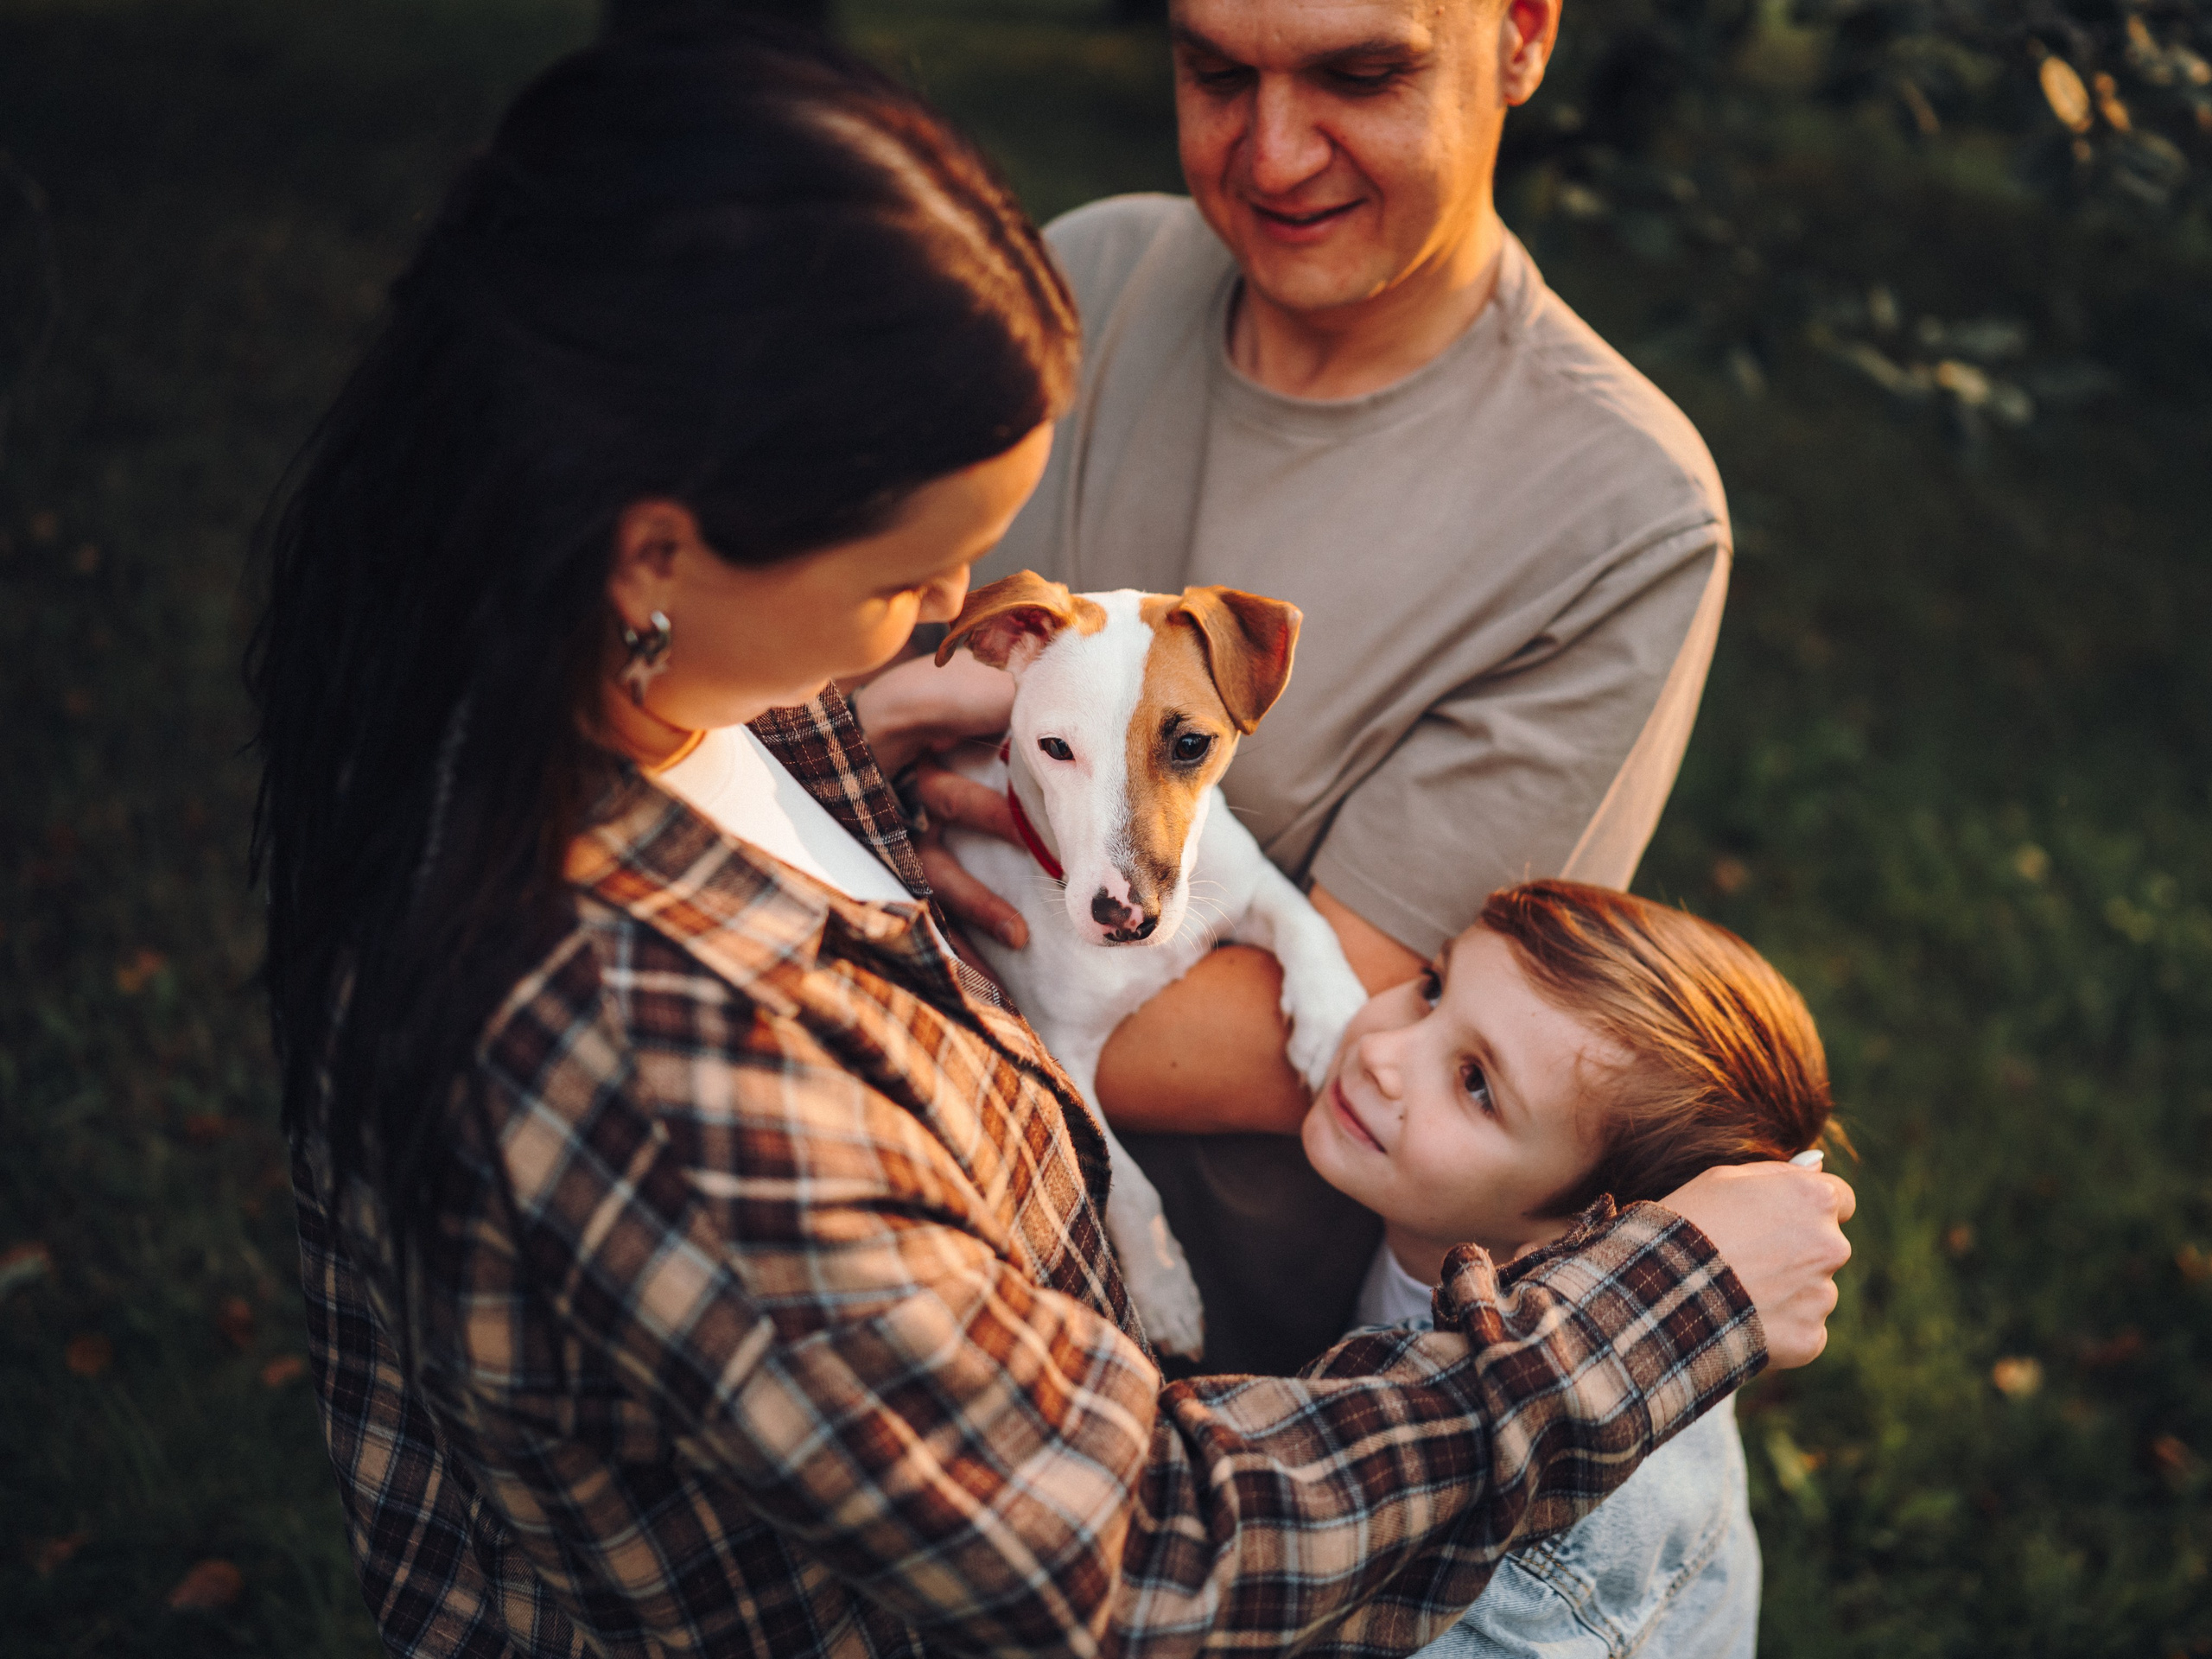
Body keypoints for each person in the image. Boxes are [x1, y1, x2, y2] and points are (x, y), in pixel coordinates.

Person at [252, 22, 1852, 1658]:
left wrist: (830, 733)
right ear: (656, 554)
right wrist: (1662, 1317)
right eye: (904, 573)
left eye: (1357, 75)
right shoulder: (680, 1089)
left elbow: (768, 814)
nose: (953, 622)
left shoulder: (492, 716)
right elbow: (1139, 1558)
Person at [866, 0, 1738, 1374]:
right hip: (876, 1257)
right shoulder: (1087, 278)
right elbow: (823, 662)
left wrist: (838, 970)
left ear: (1520, 35)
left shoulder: (1619, 515)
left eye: (1360, 72)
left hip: (1228, 1380)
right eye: (1216, 71)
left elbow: (1344, 1041)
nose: (1272, 158)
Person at [1304, 880, 1841, 1657]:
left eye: (1477, 1084)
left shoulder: (1540, 1558)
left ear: (1586, 1235)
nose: (1383, 1053)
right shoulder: (1433, 1218)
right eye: (1432, 989)